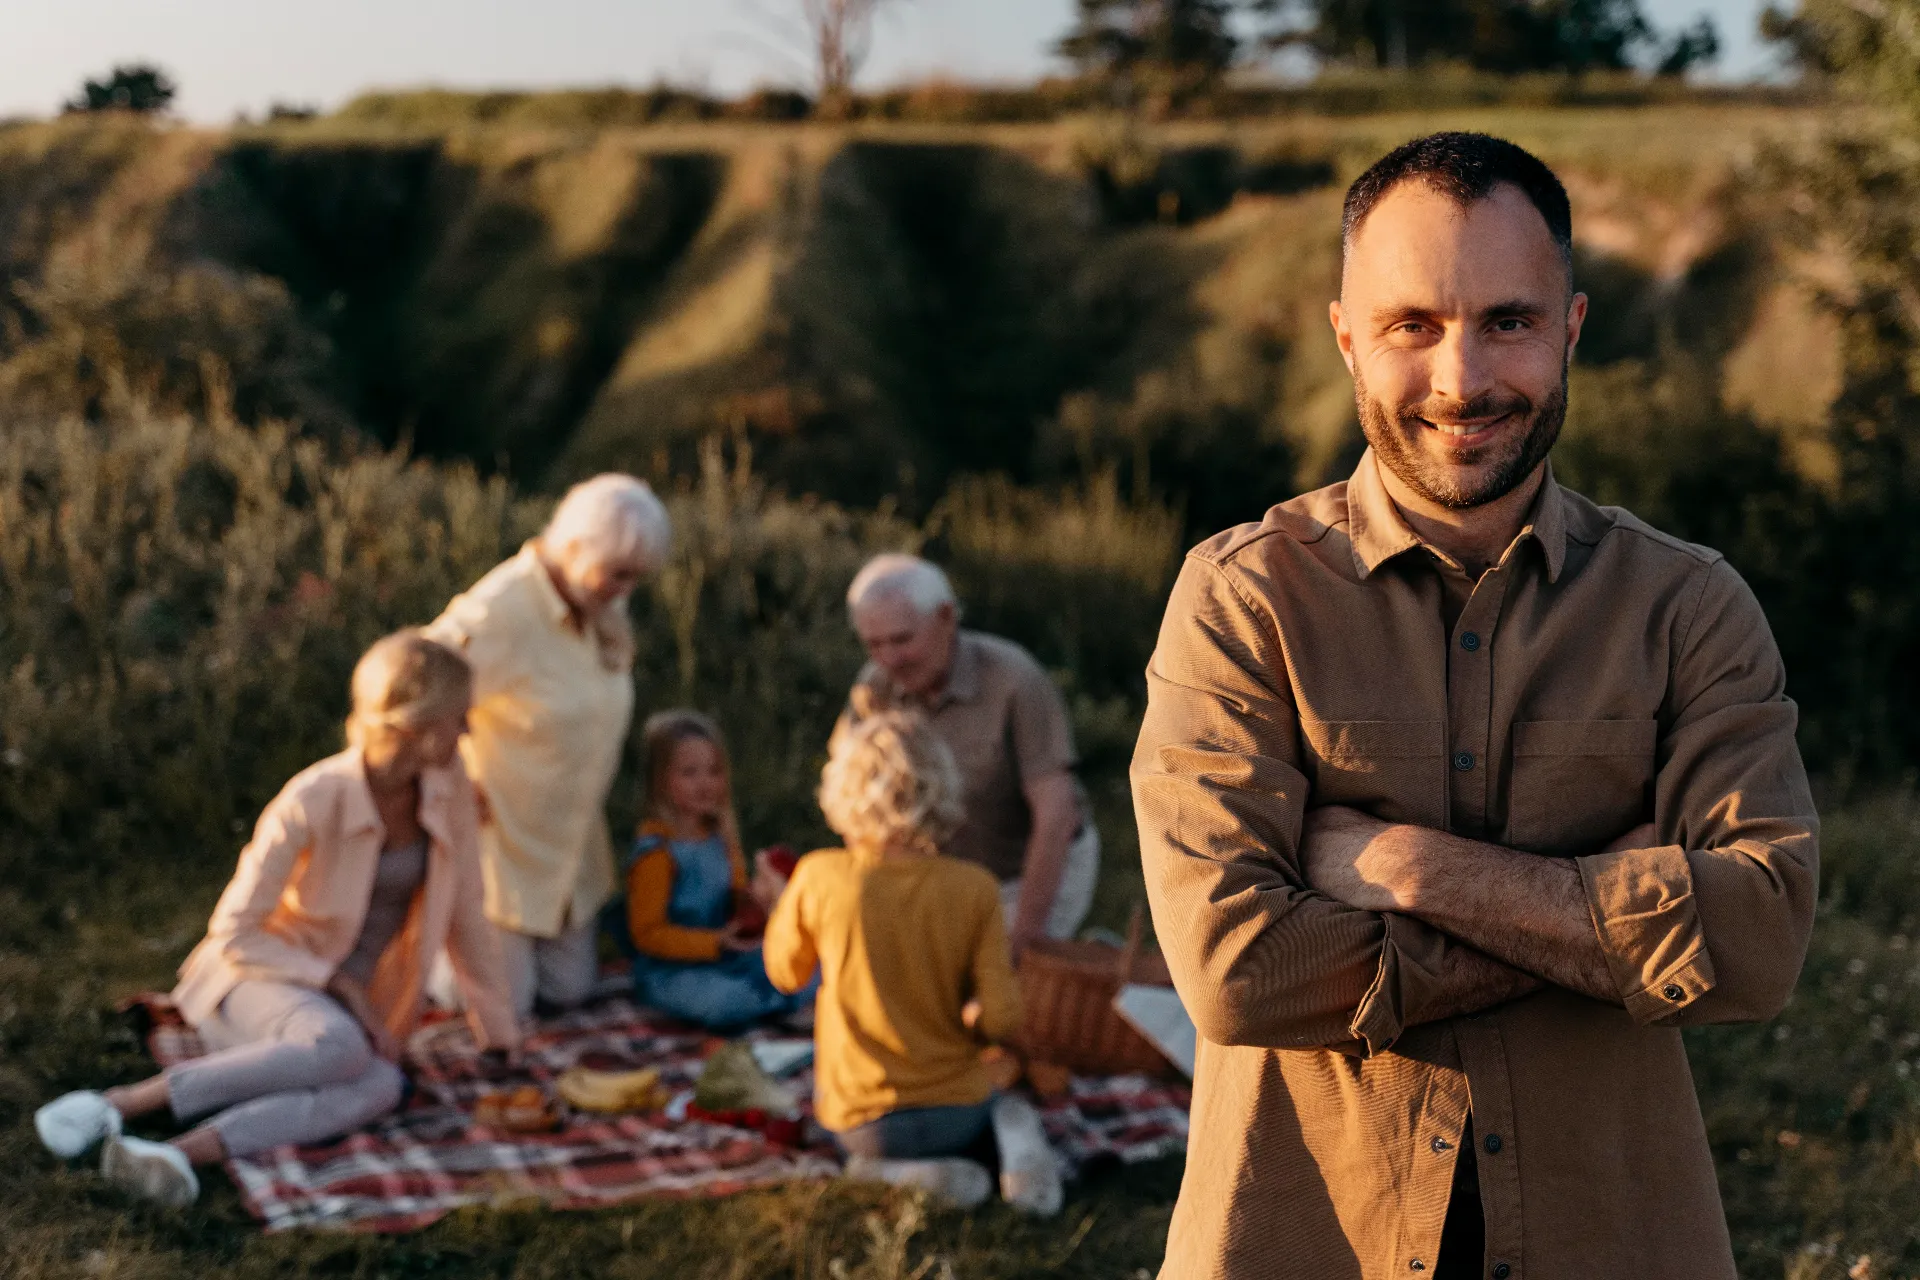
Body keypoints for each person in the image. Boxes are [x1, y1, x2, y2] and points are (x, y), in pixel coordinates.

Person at [1133, 132, 1818, 1279]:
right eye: (1414, 325)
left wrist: (1409, 866)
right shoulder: (1243, 597)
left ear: (1571, 327)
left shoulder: (1685, 606)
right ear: (1347, 335)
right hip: (1302, 1242)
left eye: (1509, 320)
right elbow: (1233, 965)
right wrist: (1604, 912)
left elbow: (1758, 940)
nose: (1462, 379)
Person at [35, 631, 519, 1208]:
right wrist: (335, 981)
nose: (467, 731)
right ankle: (117, 1105)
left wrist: (500, 1036)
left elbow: (467, 910)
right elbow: (235, 931)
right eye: (457, 716)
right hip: (256, 976)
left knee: (383, 1083)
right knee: (337, 1045)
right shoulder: (313, 797)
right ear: (414, 721)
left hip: (343, 1010)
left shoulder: (450, 788)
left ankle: (175, 1155)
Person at [426, 473, 671, 1021]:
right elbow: (415, 683)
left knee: (569, 992)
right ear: (576, 548)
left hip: (568, 841)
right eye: (619, 575)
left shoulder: (597, 598)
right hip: (502, 844)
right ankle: (437, 941)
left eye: (636, 578)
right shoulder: (501, 608)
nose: (625, 590)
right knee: (503, 1005)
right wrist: (451, 776)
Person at [763, 709, 1025, 1207]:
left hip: (865, 1122)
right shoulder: (975, 888)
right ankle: (1015, 1154)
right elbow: (1003, 1015)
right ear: (940, 788)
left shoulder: (819, 876)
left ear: (841, 792)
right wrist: (972, 1024)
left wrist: (783, 906)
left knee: (851, 1148)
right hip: (960, 1111)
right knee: (1008, 1108)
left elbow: (784, 973)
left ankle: (891, 1175)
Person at [839, 553, 1096, 957]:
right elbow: (852, 804)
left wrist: (1025, 938)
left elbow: (1056, 815)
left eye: (902, 640)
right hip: (938, 875)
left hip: (1025, 869)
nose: (889, 659)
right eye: (874, 644)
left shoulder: (1013, 678)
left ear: (945, 618)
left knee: (1003, 984)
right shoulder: (874, 689)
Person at [616, 710, 809, 1029]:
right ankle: (764, 1006)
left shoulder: (720, 837)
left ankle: (764, 1002)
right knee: (724, 1001)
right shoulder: (657, 852)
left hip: (727, 957)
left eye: (714, 771)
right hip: (673, 970)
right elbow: (648, 934)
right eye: (689, 773)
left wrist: (757, 901)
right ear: (660, 781)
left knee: (804, 968)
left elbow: (733, 901)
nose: (705, 784)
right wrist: (714, 942)